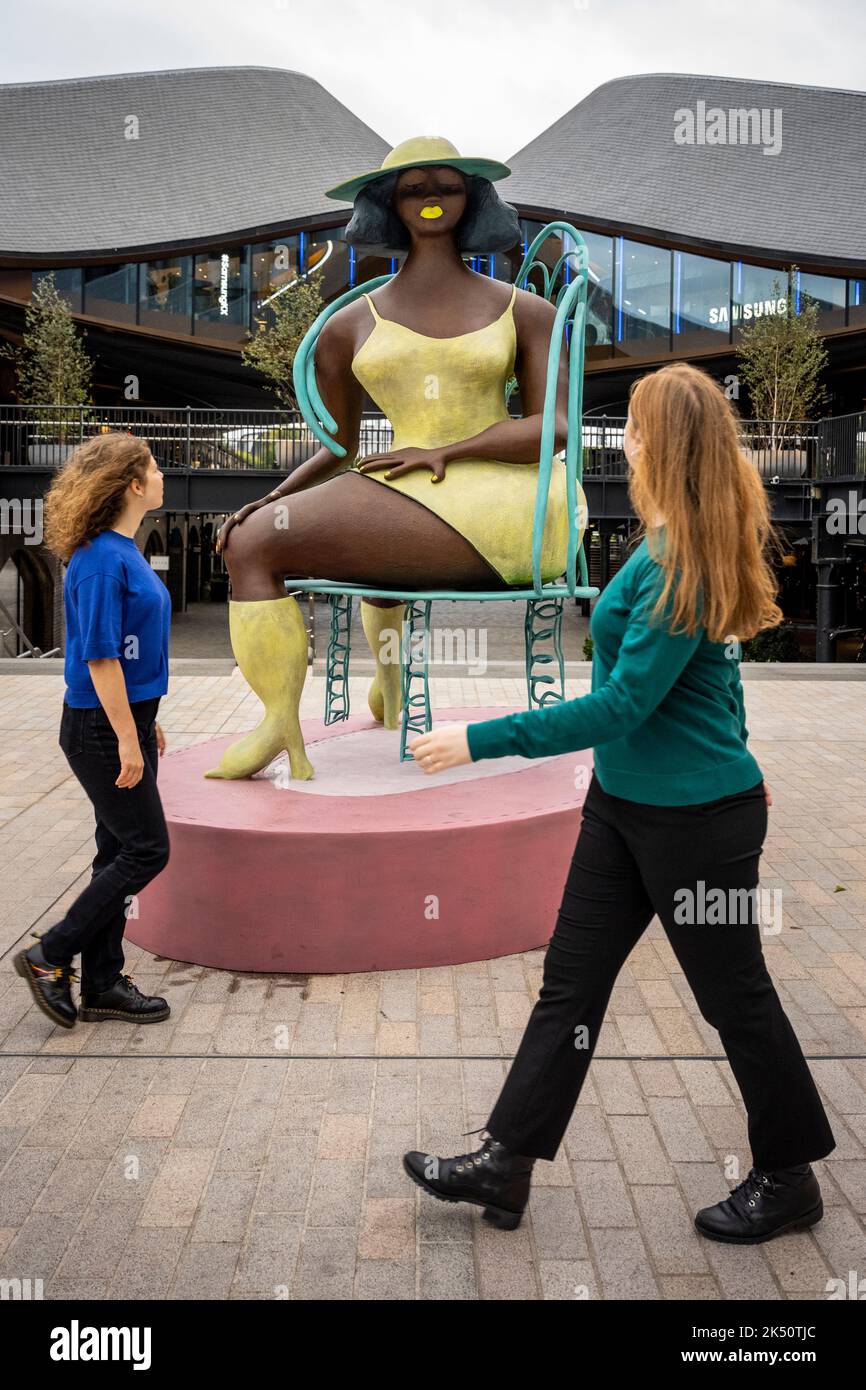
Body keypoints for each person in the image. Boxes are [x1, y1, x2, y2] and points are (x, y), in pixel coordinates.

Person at [402, 363, 836, 1244]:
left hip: (698, 823)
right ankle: (507, 1162)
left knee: (735, 998)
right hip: (624, 805)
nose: (625, 440)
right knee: (570, 988)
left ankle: (790, 1176)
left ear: (664, 442)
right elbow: (724, 688)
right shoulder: (667, 536)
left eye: (635, 427)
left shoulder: (678, 557)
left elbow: (624, 704)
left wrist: (481, 740)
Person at [205, 135, 585, 780]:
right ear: (388, 203)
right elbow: (342, 448)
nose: (431, 198)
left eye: (447, 185)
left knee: (261, 549)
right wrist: (272, 500)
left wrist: (447, 449)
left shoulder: (528, 310)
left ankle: (301, 719)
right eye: (414, 188)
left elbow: (555, 429)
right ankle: (329, 701)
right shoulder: (347, 325)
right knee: (259, 533)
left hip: (509, 499)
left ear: (474, 199)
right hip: (404, 487)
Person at [15, 433, 172, 1029]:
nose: (163, 475)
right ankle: (50, 955)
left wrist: (150, 721)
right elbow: (100, 657)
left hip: (126, 720)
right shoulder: (103, 560)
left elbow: (130, 655)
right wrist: (128, 736)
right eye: (155, 468)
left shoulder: (120, 551)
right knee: (147, 849)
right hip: (102, 729)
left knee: (115, 851)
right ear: (133, 485)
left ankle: (102, 982)